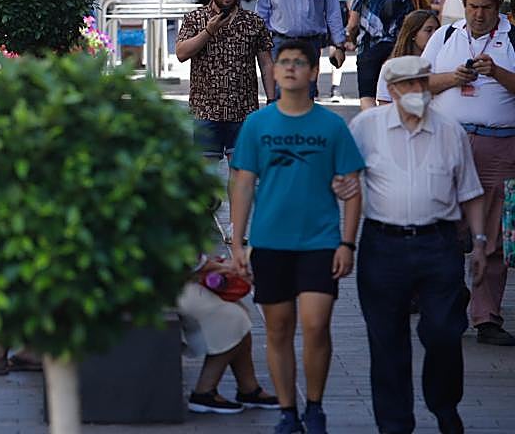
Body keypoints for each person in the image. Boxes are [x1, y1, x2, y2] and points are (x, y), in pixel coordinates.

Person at [344, 56, 485, 434]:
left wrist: (481, 241)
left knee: (443, 331)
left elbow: (470, 190)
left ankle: (444, 407)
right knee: (386, 339)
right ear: (391, 90)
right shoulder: (366, 127)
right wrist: (342, 238)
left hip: (439, 244)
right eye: (408, 85)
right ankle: (395, 425)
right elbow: (345, 179)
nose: (417, 92)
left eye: (423, 83)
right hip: (383, 245)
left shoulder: (449, 129)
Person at [230, 39, 364, 434]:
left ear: (312, 72)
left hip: (320, 243)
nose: (289, 68)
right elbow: (242, 185)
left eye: (298, 63)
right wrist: (238, 243)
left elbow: (352, 187)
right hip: (270, 242)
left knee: (316, 324)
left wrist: (347, 242)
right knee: (278, 329)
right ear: (273, 72)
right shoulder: (257, 124)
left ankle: (316, 407)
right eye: (283, 62)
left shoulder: (332, 126)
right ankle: (288, 410)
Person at [421, 0, 515, 345]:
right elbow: (418, 82)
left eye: (486, 8)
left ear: (498, 5)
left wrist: (499, 73)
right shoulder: (447, 35)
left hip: (499, 145)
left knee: (491, 235)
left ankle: (486, 317)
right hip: (449, 145)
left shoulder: (512, 38)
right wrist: (452, 79)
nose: (478, 14)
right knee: (444, 230)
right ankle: (448, 303)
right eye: (472, 6)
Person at [177, 0, 275, 159]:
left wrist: (271, 101)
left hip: (243, 112)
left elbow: (266, 63)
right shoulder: (195, 19)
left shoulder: (253, 22)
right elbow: (181, 53)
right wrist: (208, 32)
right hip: (206, 112)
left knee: (242, 181)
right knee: (206, 182)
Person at [179, 252, 278, 414]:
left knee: (237, 310)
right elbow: (184, 257)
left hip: (174, 284)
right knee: (232, 316)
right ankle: (204, 391)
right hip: (166, 290)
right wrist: (224, 267)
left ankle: (248, 388)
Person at [346, 0, 414, 109]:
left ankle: (372, 130)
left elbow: (353, 23)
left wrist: (350, 38)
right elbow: (410, 20)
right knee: (390, 96)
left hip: (367, 48)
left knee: (367, 97)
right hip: (394, 49)